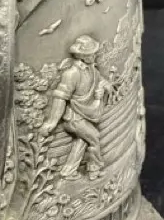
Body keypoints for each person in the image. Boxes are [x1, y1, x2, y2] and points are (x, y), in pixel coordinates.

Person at [39, 34, 112, 179]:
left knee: (82, 141)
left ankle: (68, 171)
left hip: (85, 115)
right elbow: (60, 98)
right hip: (74, 118)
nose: (95, 55)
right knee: (94, 137)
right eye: (92, 53)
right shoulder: (71, 74)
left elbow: (100, 80)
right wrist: (52, 122)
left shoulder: (92, 69)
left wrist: (105, 86)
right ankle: (94, 169)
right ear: (82, 56)